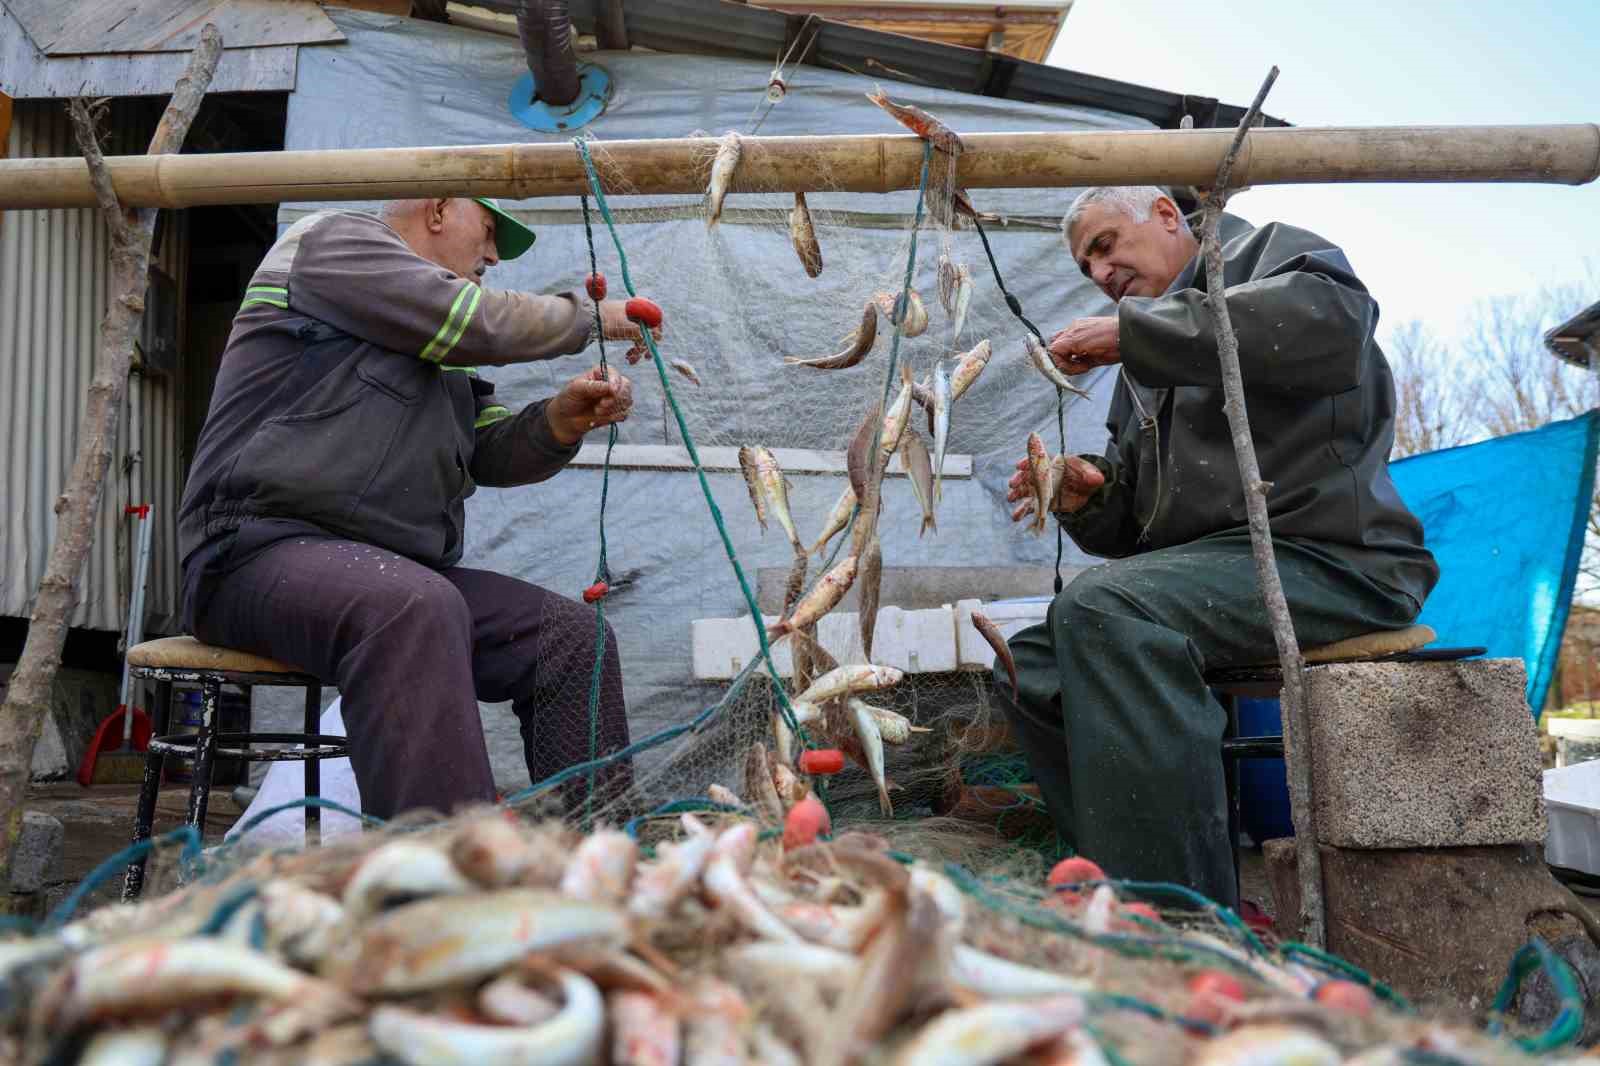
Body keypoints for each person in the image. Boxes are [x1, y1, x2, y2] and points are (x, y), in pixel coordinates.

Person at [999, 186, 1438, 907]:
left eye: (1107, 244)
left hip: (1333, 558)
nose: (1102, 274)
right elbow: (1138, 525)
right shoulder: (1141, 366)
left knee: (1105, 611)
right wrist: (1090, 495)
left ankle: (1182, 919)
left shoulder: (1265, 256)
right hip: (1221, 575)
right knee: (1028, 668)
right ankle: (1127, 874)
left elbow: (1335, 326)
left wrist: (1137, 334)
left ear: (1168, 216)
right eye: (1087, 267)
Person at [177, 196, 660, 819]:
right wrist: (591, 315)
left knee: (571, 639)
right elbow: (473, 322)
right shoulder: (333, 240)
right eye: (488, 233)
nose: (491, 256)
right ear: (437, 209)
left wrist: (558, 421)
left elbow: (488, 452)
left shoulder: (440, 348)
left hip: (387, 577)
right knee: (414, 605)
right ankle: (444, 885)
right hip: (252, 553)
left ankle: (600, 867)